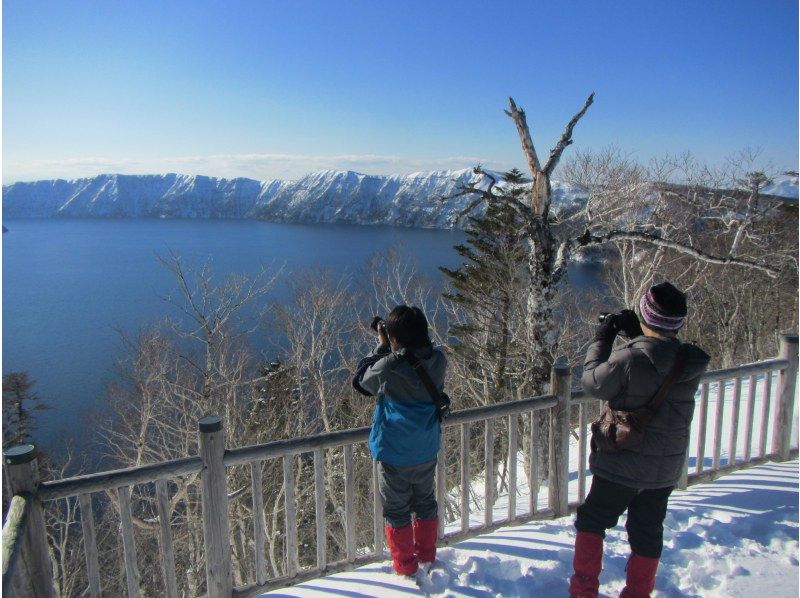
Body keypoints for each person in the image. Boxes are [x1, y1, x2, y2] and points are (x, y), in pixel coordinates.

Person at [569, 282, 710, 598]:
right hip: (663, 469)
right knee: (647, 533)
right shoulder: (688, 362)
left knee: (592, 520)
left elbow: (593, 382)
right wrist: (640, 337)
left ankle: (583, 591)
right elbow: (658, 364)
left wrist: (603, 338)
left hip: (622, 463)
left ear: (646, 314)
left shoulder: (629, 360)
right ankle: (638, 593)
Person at [352, 305, 447, 576]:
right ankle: (427, 556)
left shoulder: (391, 366)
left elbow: (361, 382)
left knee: (396, 511)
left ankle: (405, 567)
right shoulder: (439, 359)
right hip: (426, 447)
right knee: (426, 502)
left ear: (396, 337)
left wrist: (382, 348)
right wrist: (393, 343)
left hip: (393, 451)